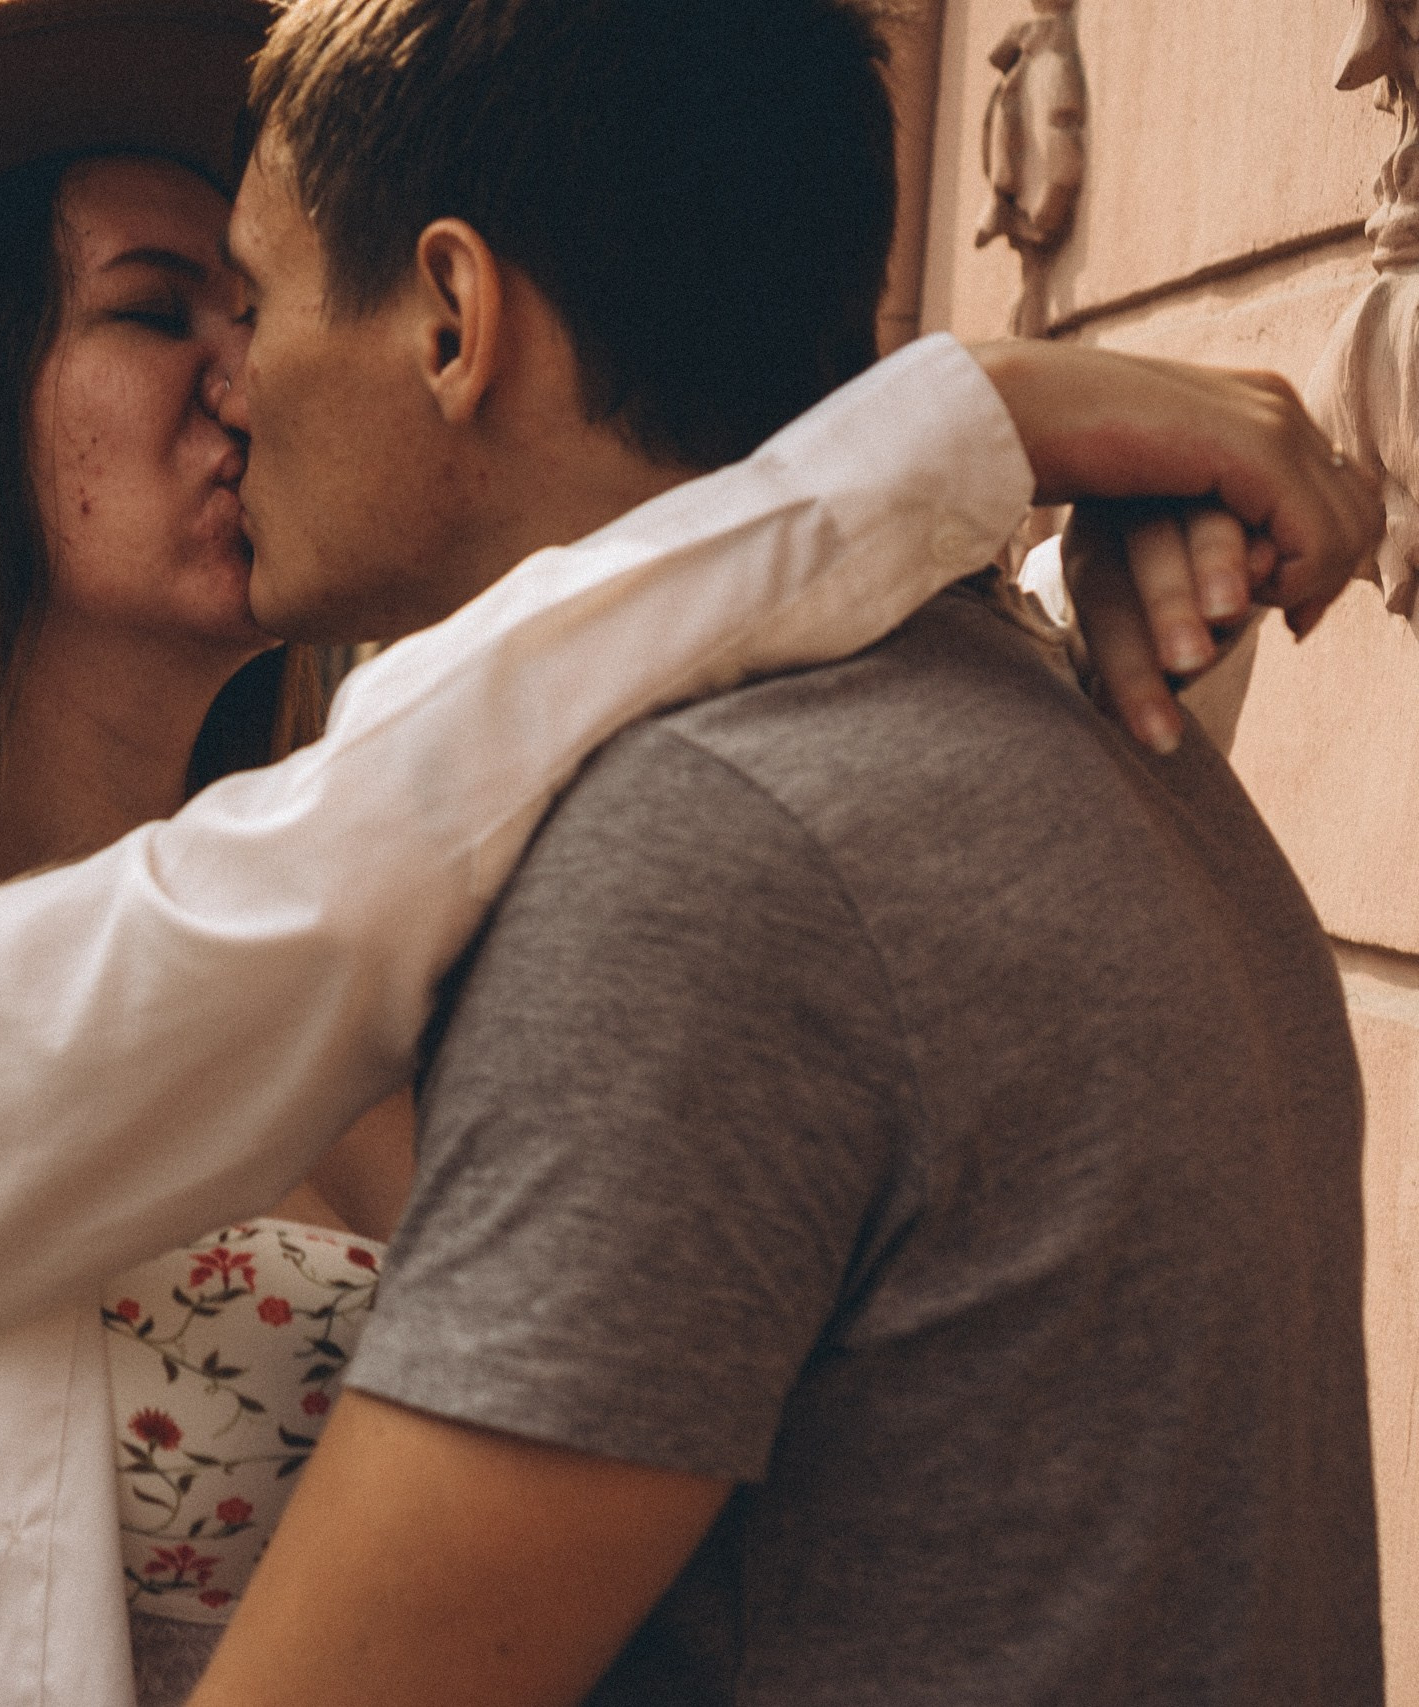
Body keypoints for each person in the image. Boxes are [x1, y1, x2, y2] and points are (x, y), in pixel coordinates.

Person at [0, 3, 1379, 1706]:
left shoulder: (470, 857)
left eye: (255, 303)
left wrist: (1030, 594)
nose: (246, 374)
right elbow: (314, 883)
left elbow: (825, 885)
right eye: (161, 309)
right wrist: (941, 442)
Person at [185, 1, 1383, 1703]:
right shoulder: (1064, 742)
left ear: (454, 318)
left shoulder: (714, 854)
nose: (225, 380)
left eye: (249, 298)